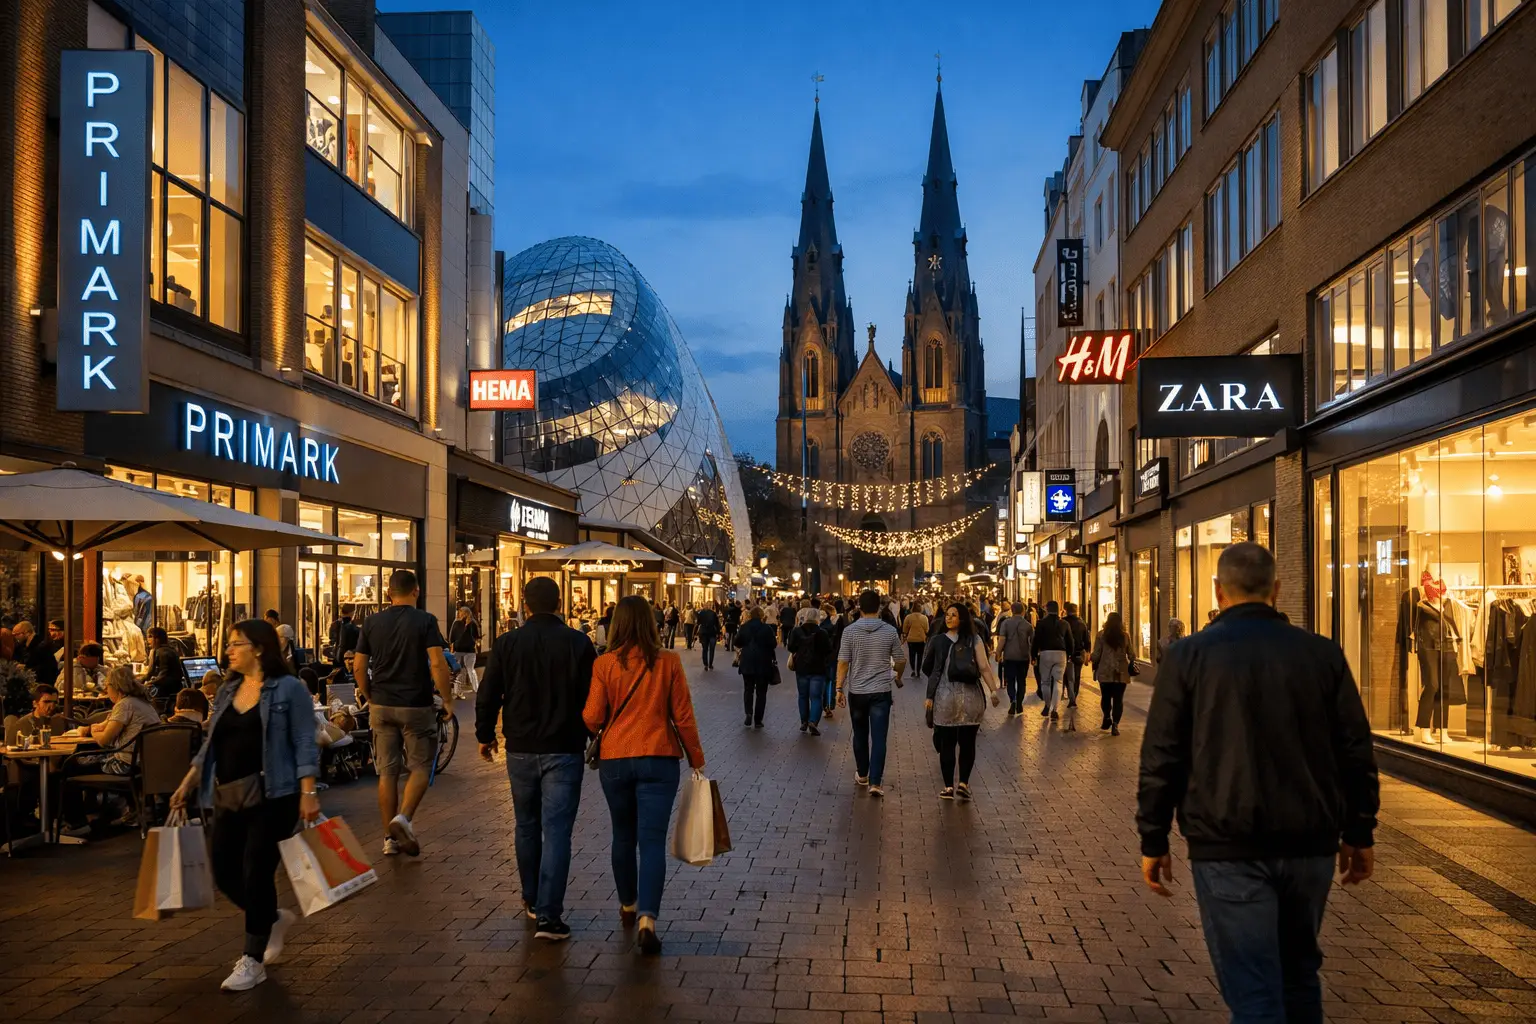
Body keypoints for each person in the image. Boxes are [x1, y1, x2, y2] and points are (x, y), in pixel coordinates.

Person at [1137, 543, 1379, 1023]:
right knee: (1299, 975)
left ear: (1217, 591)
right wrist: (1359, 830)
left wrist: (1154, 836)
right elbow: (1354, 747)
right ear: (1277, 588)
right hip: (1309, 839)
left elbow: (1162, 752)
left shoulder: (1189, 656)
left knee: (1253, 989)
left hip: (1227, 841)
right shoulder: (1321, 654)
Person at [170, 618, 321, 992]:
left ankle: (252, 959)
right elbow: (212, 743)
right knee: (222, 868)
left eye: (236, 643)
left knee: (256, 869)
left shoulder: (288, 689)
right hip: (230, 793)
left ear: (259, 648)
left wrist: (308, 792)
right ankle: (270, 917)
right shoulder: (228, 689)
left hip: (276, 794)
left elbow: (305, 740)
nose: (228, 650)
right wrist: (189, 781)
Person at [583, 596, 705, 956]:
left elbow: (591, 716)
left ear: (617, 623)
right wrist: (696, 758)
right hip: (659, 757)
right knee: (651, 841)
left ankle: (627, 905)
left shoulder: (604, 664)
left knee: (622, 835)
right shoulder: (668, 662)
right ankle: (648, 919)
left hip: (616, 758)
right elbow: (682, 715)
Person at [476, 577, 595, 942]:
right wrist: (595, 735)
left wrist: (485, 736)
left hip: (521, 747)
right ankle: (549, 915)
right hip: (564, 746)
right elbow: (593, 696)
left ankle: (530, 897)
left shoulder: (507, 642)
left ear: (525, 605)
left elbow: (488, 692)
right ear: (559, 602)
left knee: (526, 825)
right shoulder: (578, 643)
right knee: (557, 830)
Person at [351, 569, 452, 857]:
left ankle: (389, 839)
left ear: (387, 593)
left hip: (381, 705)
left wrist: (369, 694)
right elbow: (437, 663)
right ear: (416, 591)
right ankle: (403, 818)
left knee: (387, 772)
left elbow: (359, 666)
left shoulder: (371, 622)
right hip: (415, 705)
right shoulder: (425, 621)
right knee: (420, 766)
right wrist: (447, 700)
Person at [923, 603, 1002, 799]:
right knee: (968, 743)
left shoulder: (938, 641)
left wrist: (930, 695)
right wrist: (993, 690)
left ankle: (949, 786)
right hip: (971, 698)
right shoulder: (974, 639)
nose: (948, 618)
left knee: (947, 743)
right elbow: (984, 667)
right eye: (947, 615)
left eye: (953, 615)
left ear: (962, 619)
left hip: (945, 697)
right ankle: (964, 783)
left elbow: (928, 668)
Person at [835, 590, 907, 797]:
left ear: (859, 606)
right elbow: (901, 660)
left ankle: (862, 773)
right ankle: (876, 782)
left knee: (859, 734)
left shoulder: (849, 631)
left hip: (857, 691)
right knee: (879, 737)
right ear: (879, 607)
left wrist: (839, 688)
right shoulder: (889, 631)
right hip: (881, 691)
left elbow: (842, 663)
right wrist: (897, 676)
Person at [787, 611, 834, 736]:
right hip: (818, 669)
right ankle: (813, 721)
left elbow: (790, 647)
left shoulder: (796, 631)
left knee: (803, 695)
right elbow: (828, 650)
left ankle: (803, 721)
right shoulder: (822, 633)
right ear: (817, 619)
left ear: (805, 618)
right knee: (816, 697)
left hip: (801, 668)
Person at [1090, 612, 1133, 736]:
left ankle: (1107, 717)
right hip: (1121, 672)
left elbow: (1096, 654)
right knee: (1118, 699)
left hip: (1105, 671)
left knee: (1106, 697)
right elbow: (1132, 654)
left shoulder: (1101, 635)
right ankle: (1115, 725)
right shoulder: (1125, 636)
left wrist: (1091, 658)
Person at [734, 606, 778, 728]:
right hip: (763, 663)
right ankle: (758, 719)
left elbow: (737, 642)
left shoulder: (744, 627)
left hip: (747, 661)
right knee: (761, 692)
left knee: (748, 689)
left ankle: (748, 713)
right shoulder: (767, 628)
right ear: (761, 615)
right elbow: (773, 644)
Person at [1031, 600, 1073, 721]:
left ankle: (1047, 705)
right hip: (1061, 654)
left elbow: (1036, 640)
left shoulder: (1041, 623)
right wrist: (1069, 654)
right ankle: (1055, 709)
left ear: (1047, 610)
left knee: (1045, 682)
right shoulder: (1064, 624)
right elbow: (1070, 641)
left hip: (1045, 653)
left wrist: (1033, 656)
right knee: (1059, 682)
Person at [996, 602, 1034, 716]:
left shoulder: (1006, 623)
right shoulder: (1028, 625)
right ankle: (1019, 703)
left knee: (1010, 680)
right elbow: (1032, 643)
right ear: (1023, 611)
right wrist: (1033, 657)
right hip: (1023, 657)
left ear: (1012, 610)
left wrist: (998, 653)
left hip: (1009, 657)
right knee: (1022, 681)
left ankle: (1012, 700)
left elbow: (1002, 640)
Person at [449, 605, 483, 698]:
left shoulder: (457, 623)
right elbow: (476, 637)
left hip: (459, 649)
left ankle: (457, 691)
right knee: (470, 670)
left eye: (460, 612)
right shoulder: (472, 623)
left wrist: (453, 645)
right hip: (468, 650)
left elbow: (452, 637)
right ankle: (476, 689)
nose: (459, 613)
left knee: (458, 670)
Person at [143, 627, 186, 700]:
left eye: (150, 637)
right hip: (176, 688)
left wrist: (148, 683)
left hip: (166, 691)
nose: (148, 640)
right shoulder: (171, 650)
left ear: (156, 638)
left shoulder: (160, 652)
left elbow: (163, 675)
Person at [1062, 602, 1090, 709]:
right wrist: (1087, 653)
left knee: (1067, 676)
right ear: (1076, 611)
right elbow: (1087, 640)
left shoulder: (1063, 622)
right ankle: (1074, 695)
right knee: (1077, 676)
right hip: (1078, 653)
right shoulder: (1082, 623)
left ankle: (1070, 696)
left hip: (1066, 653)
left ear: (1066, 611)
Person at [901, 604, 930, 680]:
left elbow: (905, 628)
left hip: (911, 639)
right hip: (921, 639)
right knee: (920, 656)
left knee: (912, 655)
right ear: (921, 609)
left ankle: (913, 669)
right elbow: (927, 629)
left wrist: (904, 635)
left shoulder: (908, 617)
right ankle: (918, 670)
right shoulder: (924, 618)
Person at [695, 602, 721, 670]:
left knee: (705, 649)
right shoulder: (713, 613)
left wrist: (695, 633)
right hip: (712, 633)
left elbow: (698, 622)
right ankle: (710, 664)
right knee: (712, 649)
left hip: (703, 633)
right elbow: (717, 624)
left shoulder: (701, 613)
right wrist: (718, 633)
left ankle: (705, 664)